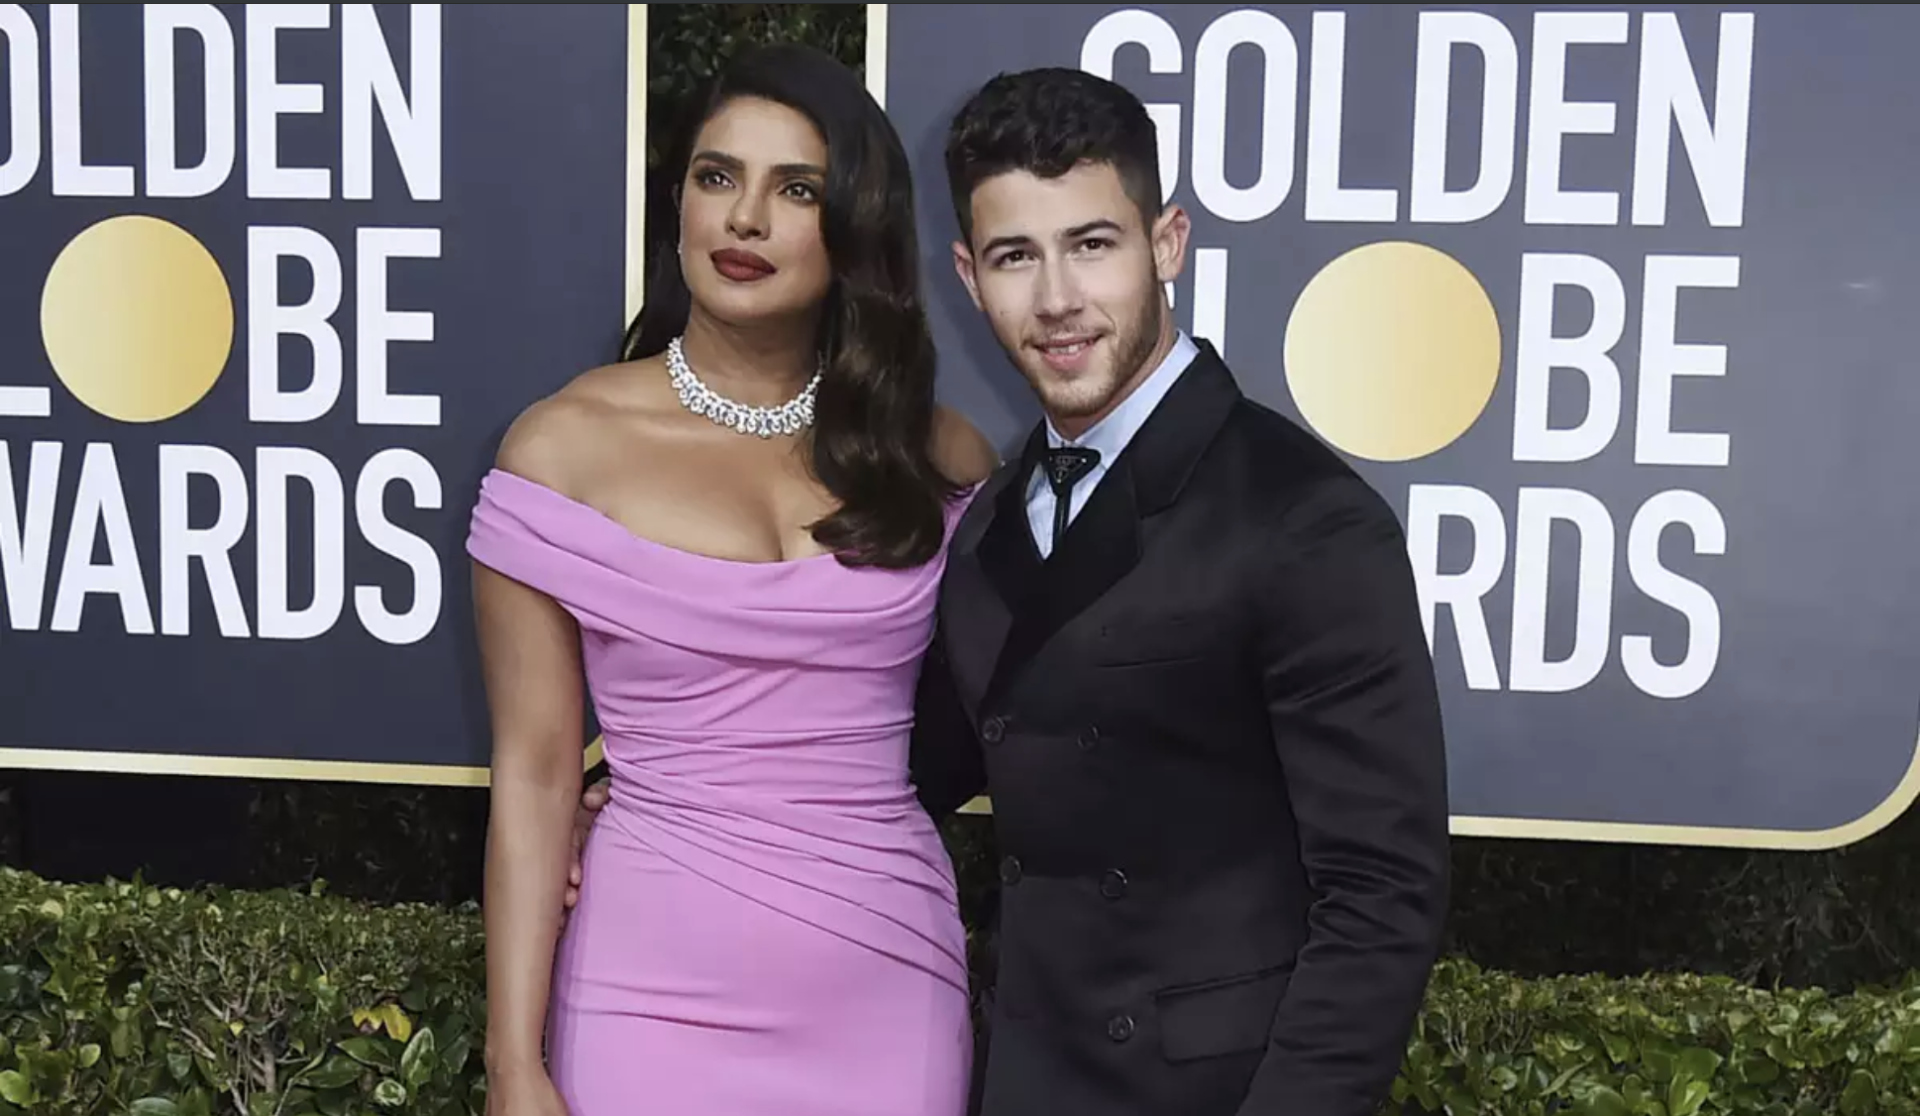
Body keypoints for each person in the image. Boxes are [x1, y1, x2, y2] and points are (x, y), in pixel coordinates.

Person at [567, 64, 1450, 1116]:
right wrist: (652, 789)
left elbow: (1382, 898)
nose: (1057, 299)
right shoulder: (988, 514)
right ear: (969, 275)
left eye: (1092, 245)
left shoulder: (1304, 516)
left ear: (1167, 244)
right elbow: (900, 755)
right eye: (1015, 256)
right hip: (1028, 1078)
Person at [468, 42, 996, 1116]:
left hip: (888, 985)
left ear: (853, 225)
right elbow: (533, 775)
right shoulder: (561, 450)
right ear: (679, 203)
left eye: (795, 189)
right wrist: (514, 1063)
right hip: (643, 995)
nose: (744, 218)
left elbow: (1010, 718)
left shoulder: (937, 455)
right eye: (718, 177)